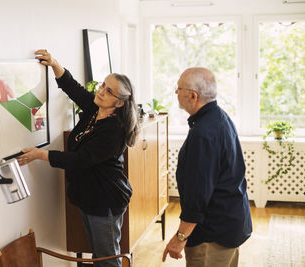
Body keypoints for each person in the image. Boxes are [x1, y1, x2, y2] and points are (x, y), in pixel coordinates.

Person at [17, 49, 139, 267]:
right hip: (88, 196)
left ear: (120, 103)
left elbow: (81, 159)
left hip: (105, 200)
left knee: (107, 259)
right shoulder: (97, 109)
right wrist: (54, 64)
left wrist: (39, 154)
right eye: (103, 85)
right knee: (97, 254)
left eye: (109, 91)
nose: (101, 91)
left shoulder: (114, 129)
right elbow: (75, 89)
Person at [162, 67, 252, 267]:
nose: (176, 93)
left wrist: (180, 237)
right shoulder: (218, 117)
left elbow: (198, 193)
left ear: (193, 96)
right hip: (228, 222)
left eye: (179, 88)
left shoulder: (204, 133)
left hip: (213, 233)